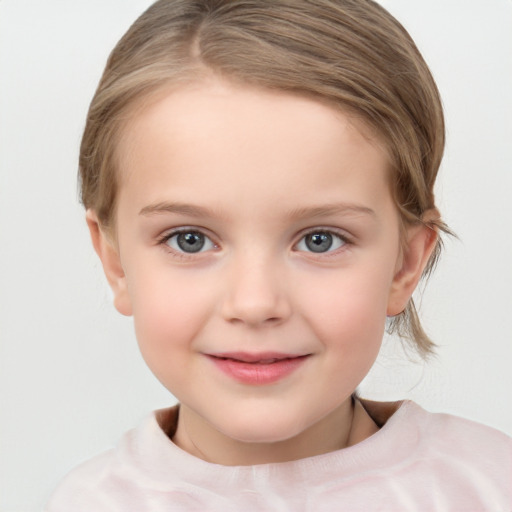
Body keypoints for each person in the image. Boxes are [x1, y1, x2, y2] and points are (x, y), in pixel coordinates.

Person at [45, 0, 511, 510]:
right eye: (190, 239)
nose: (255, 303)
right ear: (116, 263)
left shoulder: (490, 485)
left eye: (320, 240)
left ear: (405, 264)